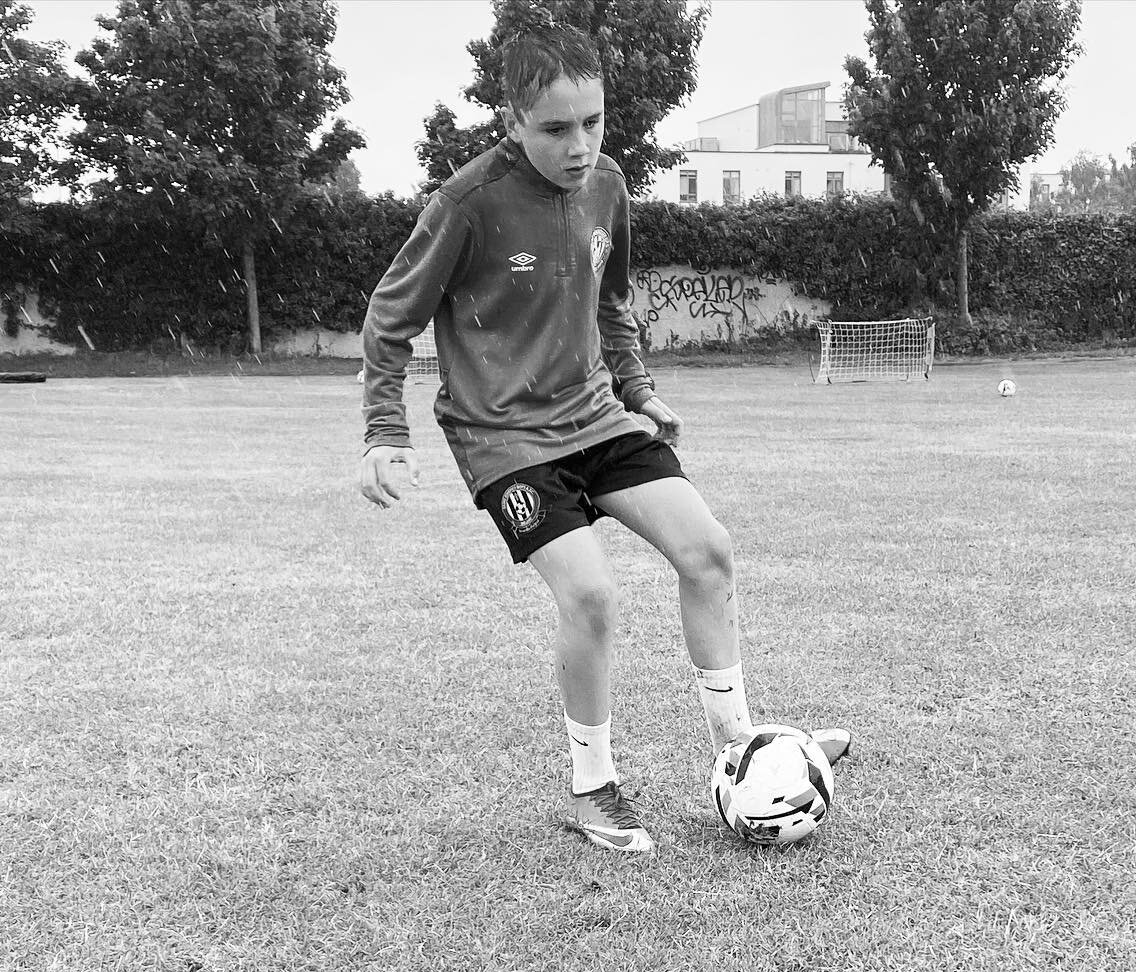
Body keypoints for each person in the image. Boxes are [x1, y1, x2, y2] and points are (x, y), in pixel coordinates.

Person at [356, 23, 848, 854]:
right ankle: (595, 788)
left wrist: (641, 392)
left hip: (597, 415)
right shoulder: (466, 204)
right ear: (512, 118)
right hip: (503, 436)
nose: (579, 145)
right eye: (555, 128)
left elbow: (611, 299)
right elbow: (388, 318)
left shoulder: (608, 187)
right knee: (590, 595)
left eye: (593, 122)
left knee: (709, 552)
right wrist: (383, 432)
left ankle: (741, 749)